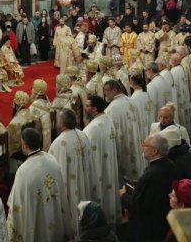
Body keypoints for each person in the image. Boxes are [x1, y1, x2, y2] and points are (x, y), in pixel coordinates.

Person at [7, 127, 68, 242]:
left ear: (24, 145)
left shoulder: (23, 170)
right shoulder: (52, 160)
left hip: (36, 217)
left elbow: (16, 203)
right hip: (53, 214)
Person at [49, 108, 98, 236]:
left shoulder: (59, 143)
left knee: (71, 209)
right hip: (83, 181)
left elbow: (54, 170)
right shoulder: (82, 134)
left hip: (69, 186)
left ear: (62, 124)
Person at [120, 134, 176, 242]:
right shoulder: (170, 165)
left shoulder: (150, 175)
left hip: (149, 228)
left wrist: (123, 195)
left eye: (144, 145)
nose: (142, 147)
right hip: (165, 219)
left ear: (154, 151)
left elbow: (138, 206)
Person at [83, 95, 121, 226]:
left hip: (96, 170)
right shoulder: (107, 119)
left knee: (99, 193)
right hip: (107, 166)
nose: (85, 108)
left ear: (95, 109)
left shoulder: (91, 129)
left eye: (87, 106)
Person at [103, 79, 146, 181]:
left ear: (114, 90)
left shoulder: (111, 109)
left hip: (122, 148)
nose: (105, 95)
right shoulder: (131, 101)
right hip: (136, 142)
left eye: (106, 91)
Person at [170, 53, 191, 128]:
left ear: (174, 61)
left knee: (180, 113)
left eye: (171, 59)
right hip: (183, 94)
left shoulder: (174, 71)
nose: (169, 61)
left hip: (178, 97)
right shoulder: (180, 68)